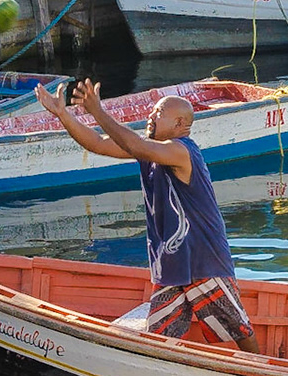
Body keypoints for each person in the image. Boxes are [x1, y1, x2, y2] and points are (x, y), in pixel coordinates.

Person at [37, 79, 261, 354]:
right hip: (172, 263)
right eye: (152, 112)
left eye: (159, 114)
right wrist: (63, 114)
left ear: (179, 124)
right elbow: (96, 143)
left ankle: (262, 371)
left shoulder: (182, 150)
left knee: (237, 326)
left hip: (204, 259)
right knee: (158, 338)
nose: (150, 117)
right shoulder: (147, 150)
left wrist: (98, 112)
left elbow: (136, 145)